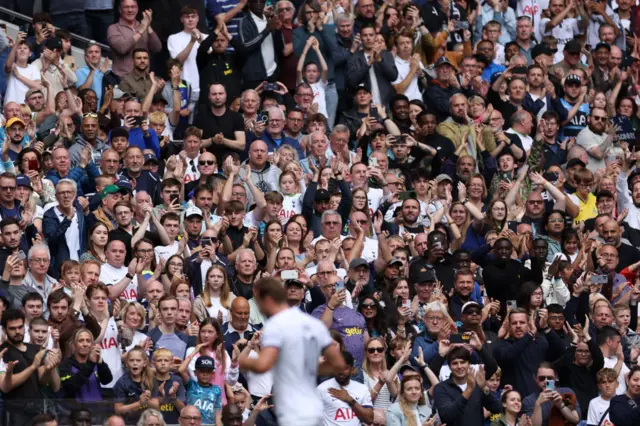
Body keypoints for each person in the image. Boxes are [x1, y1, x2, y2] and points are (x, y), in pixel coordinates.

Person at [240, 277, 347, 426]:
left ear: (268, 299)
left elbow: (262, 365)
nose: (258, 307)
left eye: (258, 302)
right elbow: (339, 364)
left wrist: (242, 361)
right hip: (314, 411)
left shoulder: (275, 325)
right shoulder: (312, 323)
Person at [317, 350, 374, 425]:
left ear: (352, 369)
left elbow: (369, 419)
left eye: (345, 368)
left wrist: (349, 399)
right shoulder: (322, 389)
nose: (341, 372)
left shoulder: (362, 389)